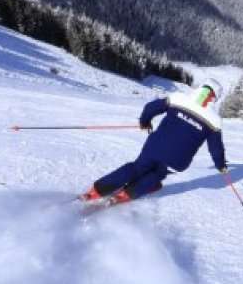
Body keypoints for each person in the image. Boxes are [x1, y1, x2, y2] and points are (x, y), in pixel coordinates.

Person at [80, 79, 228, 204]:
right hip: (178, 160)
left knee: (137, 168)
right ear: (215, 97)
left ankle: (97, 190)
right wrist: (221, 166)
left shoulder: (178, 98)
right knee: (157, 174)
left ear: (200, 88)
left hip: (155, 146)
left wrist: (145, 122)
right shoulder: (214, 120)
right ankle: (128, 193)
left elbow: (150, 107)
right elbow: (216, 149)